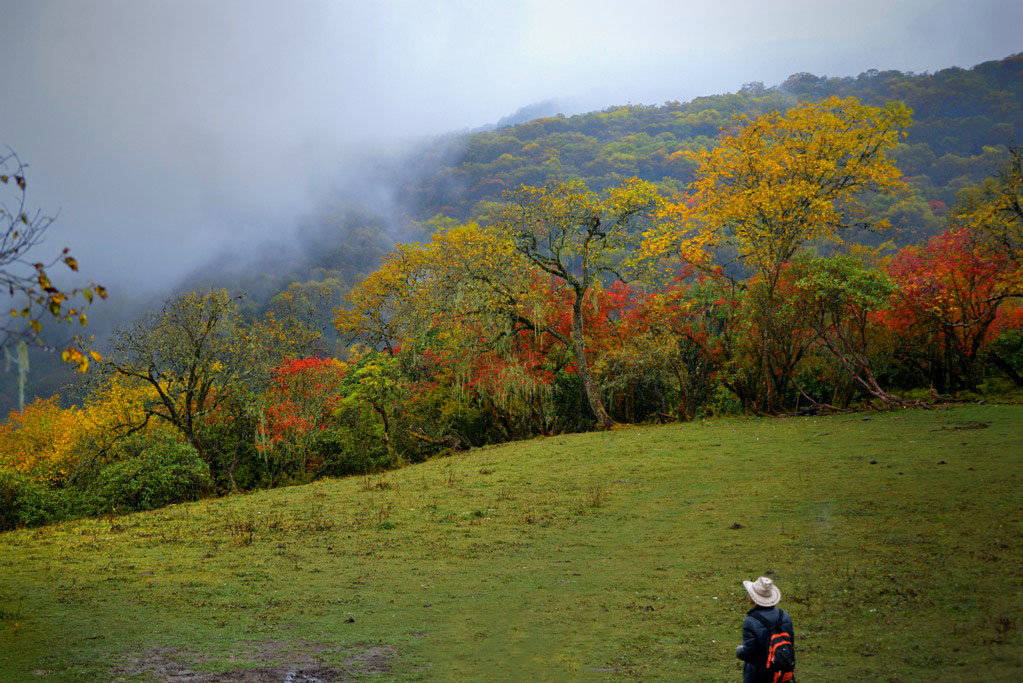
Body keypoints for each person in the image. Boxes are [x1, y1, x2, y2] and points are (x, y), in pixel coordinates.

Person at [736, 576, 795, 683]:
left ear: (753, 598)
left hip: (758, 674)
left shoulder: (750, 621)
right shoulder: (784, 616)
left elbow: (749, 653)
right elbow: (790, 644)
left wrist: (739, 650)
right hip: (780, 671)